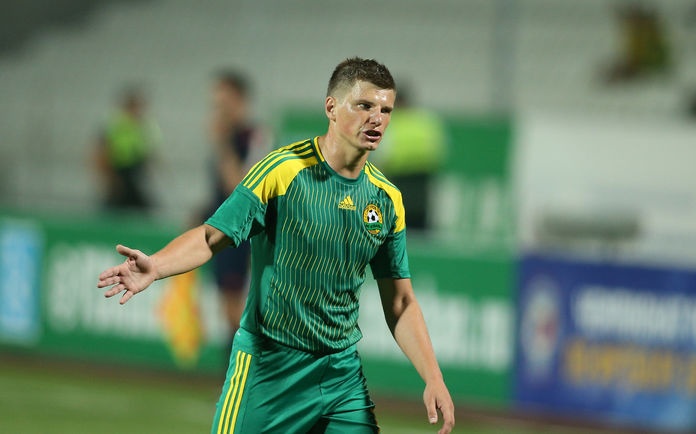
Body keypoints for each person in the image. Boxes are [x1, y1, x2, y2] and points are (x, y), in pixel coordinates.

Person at [97, 57, 455, 434]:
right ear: (331, 108)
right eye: (364, 105)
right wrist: (156, 266)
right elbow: (211, 236)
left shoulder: (387, 199)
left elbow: (400, 302)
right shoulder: (282, 171)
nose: (376, 119)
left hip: (340, 376)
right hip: (269, 369)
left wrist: (433, 376)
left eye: (385, 110)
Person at [206, 69, 272, 350]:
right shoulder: (228, 139)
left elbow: (239, 188)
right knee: (228, 310)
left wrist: (222, 144)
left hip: (246, 234)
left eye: (224, 103)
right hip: (223, 232)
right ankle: (232, 371)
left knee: (243, 313)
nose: (219, 111)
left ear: (240, 100)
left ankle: (248, 370)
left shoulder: (255, 137)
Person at [374, 83, 446, 231]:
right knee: (420, 218)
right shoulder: (425, 120)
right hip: (422, 177)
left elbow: (382, 155)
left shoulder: (388, 123)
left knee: (399, 219)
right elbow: (439, 148)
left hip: (398, 177)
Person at [92, 85, 160, 211]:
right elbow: (102, 152)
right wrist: (109, 177)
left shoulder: (143, 126)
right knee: (116, 205)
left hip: (135, 171)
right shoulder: (114, 124)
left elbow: (147, 152)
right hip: (119, 171)